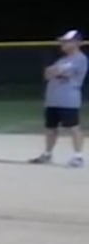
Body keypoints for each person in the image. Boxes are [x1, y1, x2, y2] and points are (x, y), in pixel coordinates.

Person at [31, 29, 87, 167]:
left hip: (68, 99)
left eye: (66, 41)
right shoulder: (62, 59)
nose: (62, 44)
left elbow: (57, 71)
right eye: (63, 41)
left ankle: (78, 156)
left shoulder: (80, 59)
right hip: (53, 99)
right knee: (50, 128)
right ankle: (47, 154)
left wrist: (55, 71)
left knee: (73, 127)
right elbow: (47, 74)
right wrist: (54, 71)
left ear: (76, 43)